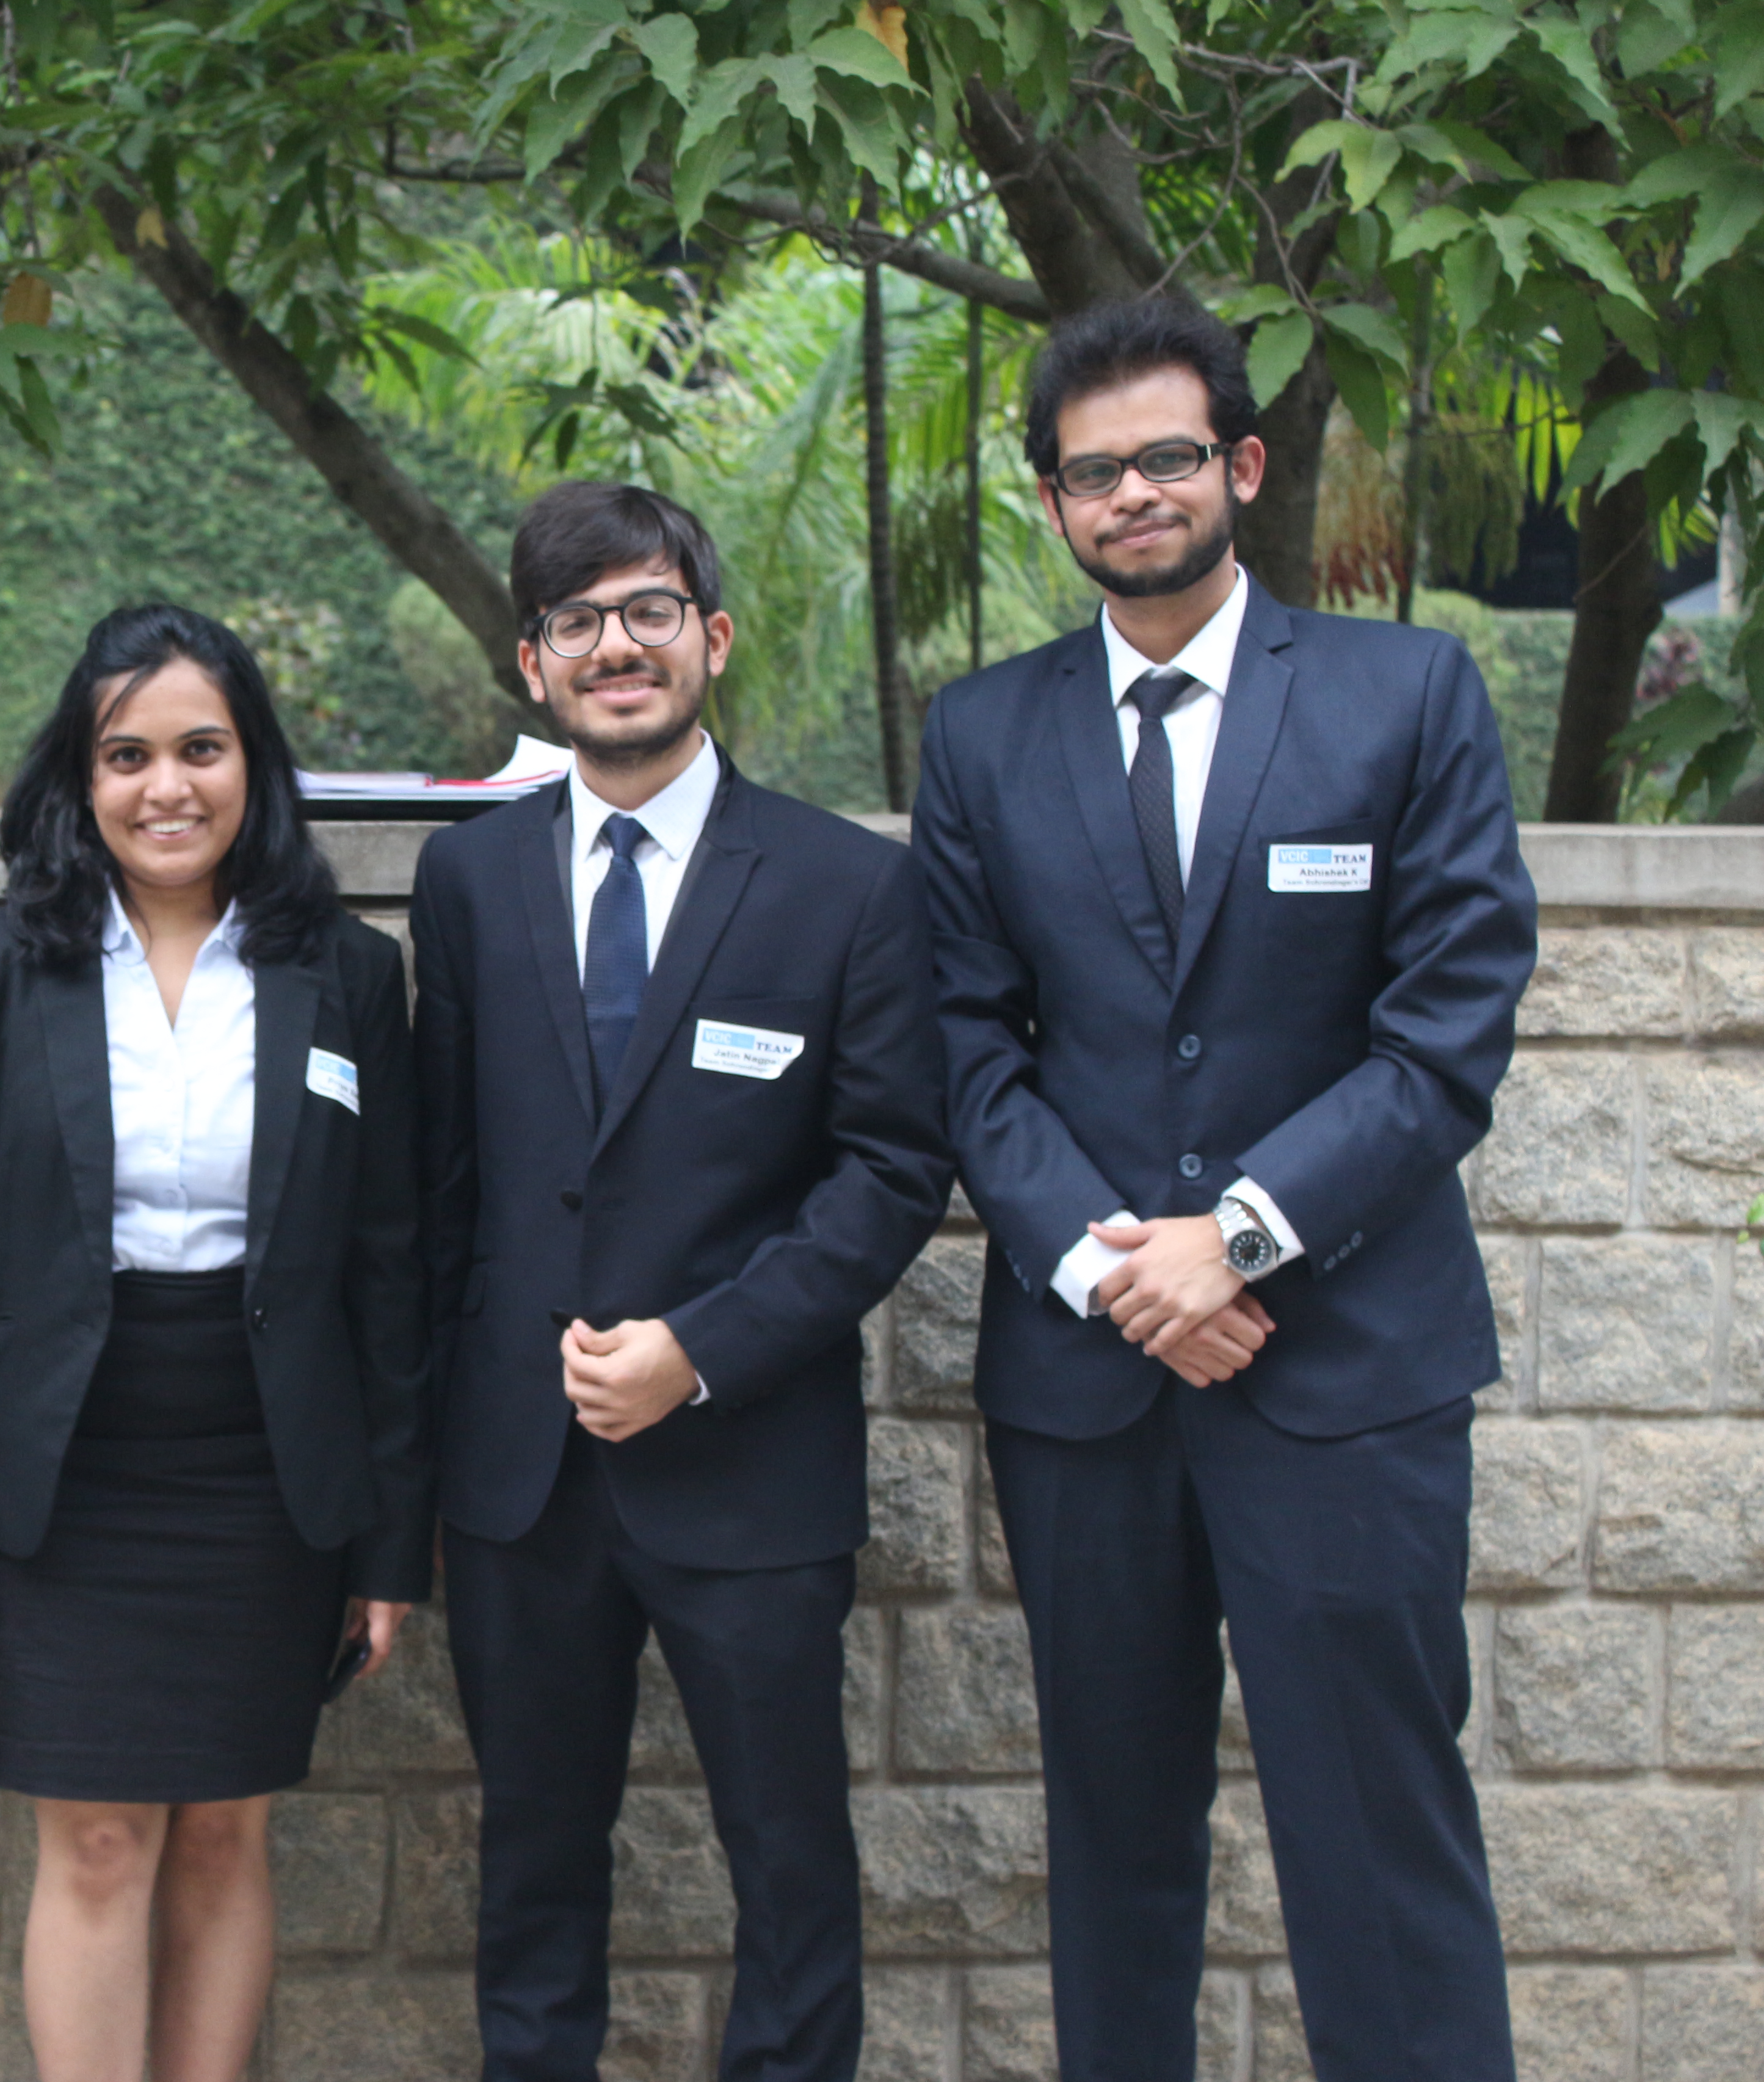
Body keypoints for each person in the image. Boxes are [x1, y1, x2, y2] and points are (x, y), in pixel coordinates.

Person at [908, 296, 1536, 2081]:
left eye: (1167, 457)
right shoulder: (981, 737)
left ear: (1241, 467)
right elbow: (965, 1048)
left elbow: (1444, 1035)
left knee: (1379, 1843)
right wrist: (1120, 1272)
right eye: (1092, 473)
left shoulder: (1404, 697)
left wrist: (1235, 1237)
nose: (1133, 496)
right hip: (1095, 1390)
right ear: (1053, 506)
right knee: (1112, 1843)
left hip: (1349, 1381)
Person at [412, 481, 952, 2082]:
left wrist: (700, 1351)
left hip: (751, 1470)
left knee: (790, 1866)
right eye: (576, 621)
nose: (616, 646)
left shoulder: (846, 887)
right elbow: (449, 1188)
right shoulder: (470, 881)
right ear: (534, 667)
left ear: (711, 637)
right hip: (519, 1480)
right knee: (530, 1864)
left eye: (648, 610)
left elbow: (893, 1174)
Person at [0, 603, 425, 2082]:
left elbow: (391, 1273)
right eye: (127, 755)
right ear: (80, 775)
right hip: (65, 1462)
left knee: (227, 1828)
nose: (165, 787)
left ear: (256, 766)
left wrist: (388, 1548)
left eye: (201, 748)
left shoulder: (350, 977)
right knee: (102, 1837)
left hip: (265, 1458)